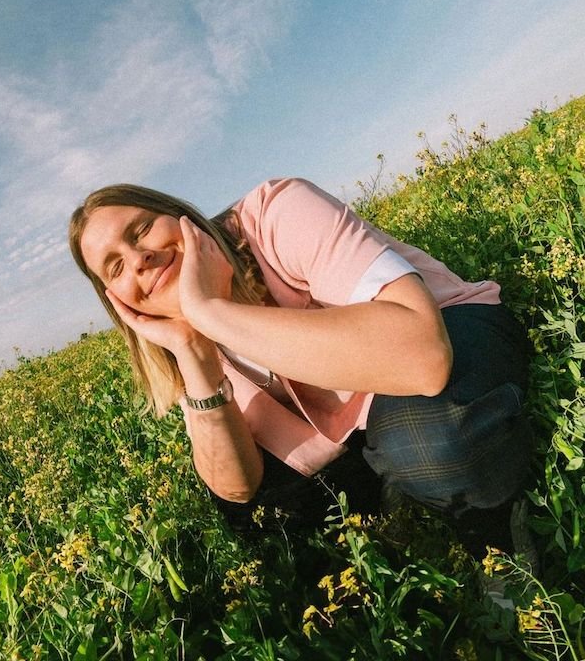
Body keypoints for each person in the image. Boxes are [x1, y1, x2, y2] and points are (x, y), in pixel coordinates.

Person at [68, 177, 532, 555]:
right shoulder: (176, 329)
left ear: (180, 216)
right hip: (346, 419)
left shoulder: (274, 213)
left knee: (428, 441)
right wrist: (193, 352)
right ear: (118, 302)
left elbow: (423, 358)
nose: (140, 260)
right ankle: (388, 491)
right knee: (255, 514)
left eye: (141, 230)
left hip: (446, 330)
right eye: (115, 267)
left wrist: (213, 312)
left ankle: (497, 538)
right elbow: (236, 487)